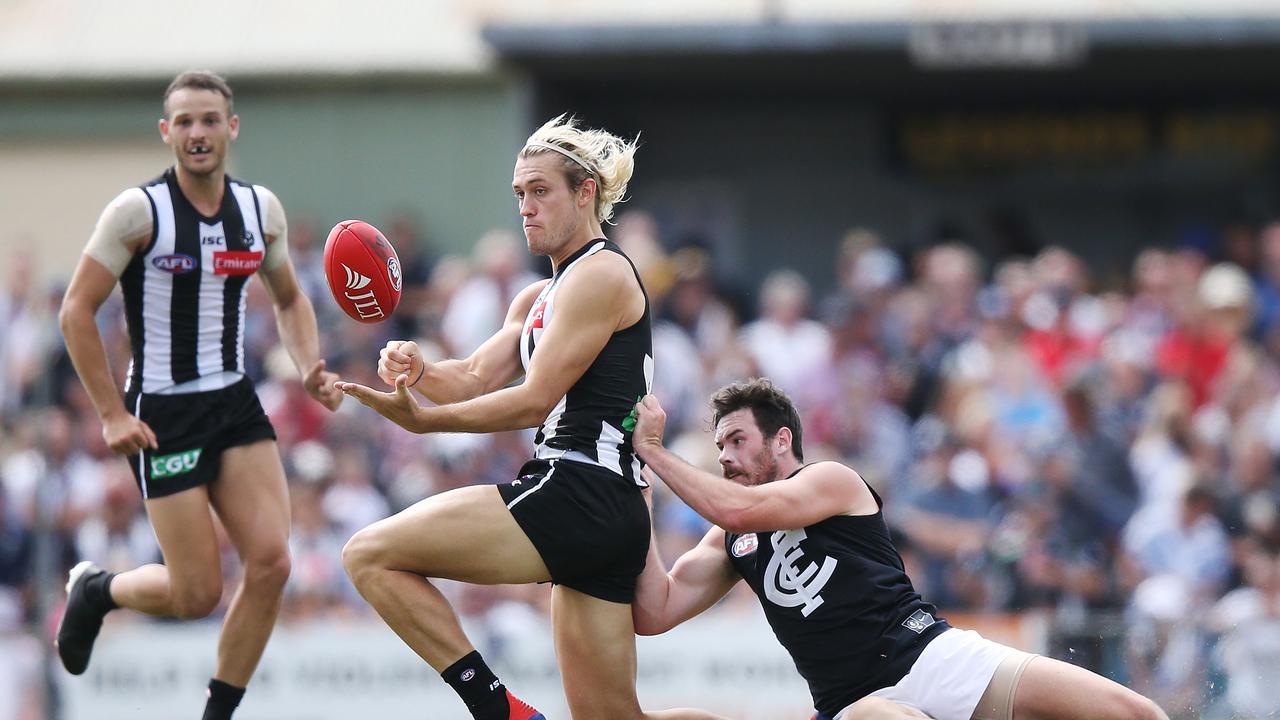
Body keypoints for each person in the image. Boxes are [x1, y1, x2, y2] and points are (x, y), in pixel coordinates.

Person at [335, 115, 722, 720]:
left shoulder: (601, 273)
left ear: (586, 192)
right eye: (520, 194)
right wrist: (414, 367)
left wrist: (424, 423)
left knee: (368, 554)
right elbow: (469, 377)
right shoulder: (538, 295)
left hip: (578, 487)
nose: (526, 207)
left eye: (541, 191)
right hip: (606, 504)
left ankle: (497, 709)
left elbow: (535, 399)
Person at [56, 70, 343, 720]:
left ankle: (217, 714)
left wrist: (308, 365)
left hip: (233, 401)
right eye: (184, 122)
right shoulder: (138, 213)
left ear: (231, 128)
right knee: (195, 593)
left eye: (209, 119)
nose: (197, 133)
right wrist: (110, 413)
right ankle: (98, 591)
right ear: (166, 133)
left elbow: (292, 299)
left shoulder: (258, 209)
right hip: (163, 413)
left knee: (271, 564)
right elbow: (76, 311)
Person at [629, 378, 1170, 720]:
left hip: (932, 656)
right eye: (720, 445)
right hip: (852, 703)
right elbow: (654, 611)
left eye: (737, 440)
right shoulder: (730, 541)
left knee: (1135, 713)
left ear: (782, 440)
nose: (724, 455)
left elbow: (738, 508)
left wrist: (652, 450)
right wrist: (633, 497)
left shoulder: (830, 480)